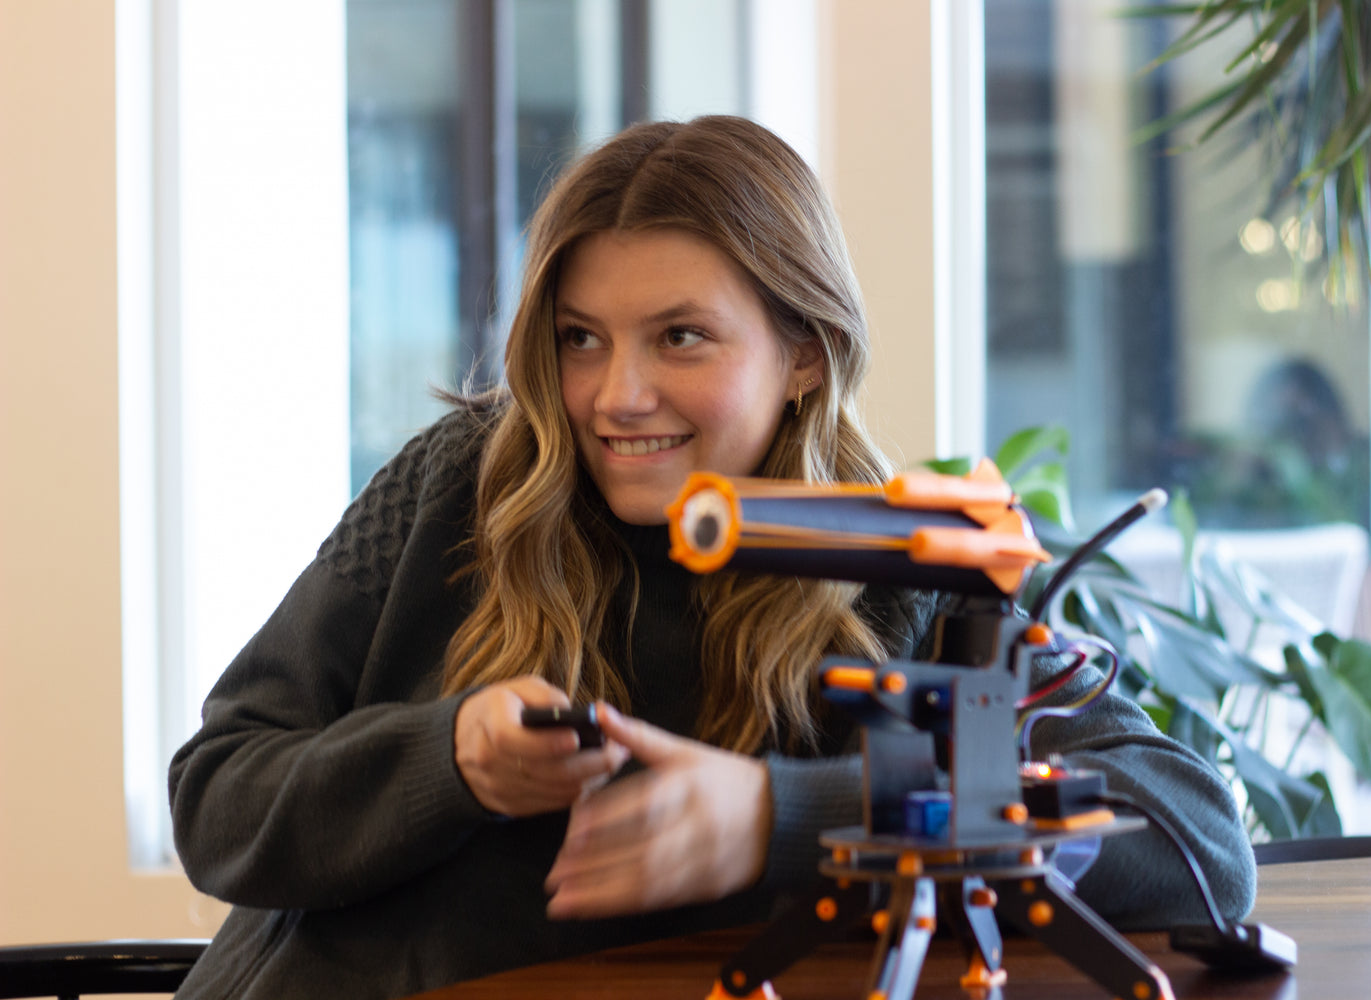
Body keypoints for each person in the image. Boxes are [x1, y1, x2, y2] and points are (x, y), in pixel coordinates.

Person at [168, 115, 1254, 1000]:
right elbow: (217, 798)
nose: (613, 395)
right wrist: (450, 758)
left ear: (805, 356)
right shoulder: (461, 479)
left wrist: (771, 817)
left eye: (680, 336)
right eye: (579, 336)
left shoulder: (898, 560)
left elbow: (1192, 835)